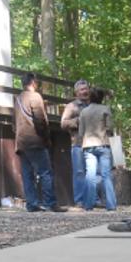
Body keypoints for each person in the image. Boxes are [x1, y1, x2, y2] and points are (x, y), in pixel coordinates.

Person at [14, 71, 58, 212]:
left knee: (27, 174)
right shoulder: (35, 96)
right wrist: (46, 138)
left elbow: (14, 122)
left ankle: (32, 204)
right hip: (35, 140)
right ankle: (50, 203)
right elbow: (40, 120)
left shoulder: (18, 99)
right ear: (33, 82)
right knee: (45, 172)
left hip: (21, 142)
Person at [78, 86, 117, 211]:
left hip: (88, 145)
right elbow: (110, 127)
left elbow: (81, 132)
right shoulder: (106, 109)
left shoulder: (84, 111)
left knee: (90, 175)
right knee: (106, 175)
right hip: (103, 143)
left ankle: (88, 205)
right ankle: (111, 204)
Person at [60, 79, 90, 207]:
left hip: (93, 143)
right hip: (78, 143)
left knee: (93, 172)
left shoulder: (93, 105)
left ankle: (93, 199)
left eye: (86, 89)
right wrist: (78, 121)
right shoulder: (71, 106)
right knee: (79, 172)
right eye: (82, 89)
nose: (85, 91)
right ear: (76, 92)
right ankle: (80, 200)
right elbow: (63, 123)